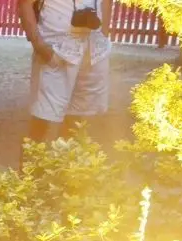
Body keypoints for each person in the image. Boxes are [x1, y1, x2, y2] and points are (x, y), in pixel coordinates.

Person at [17, 0, 112, 148]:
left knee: (78, 120)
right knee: (43, 119)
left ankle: (65, 168)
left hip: (92, 54)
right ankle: (31, 170)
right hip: (56, 52)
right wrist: (39, 45)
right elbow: (25, 3)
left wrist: (104, 33)